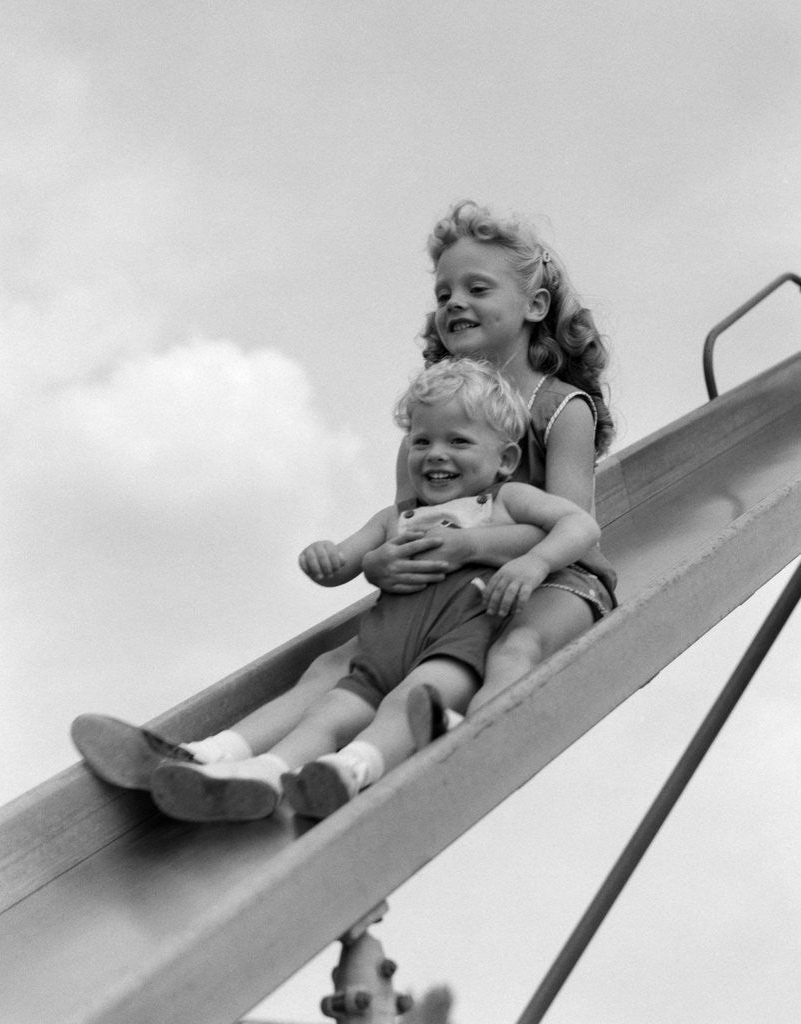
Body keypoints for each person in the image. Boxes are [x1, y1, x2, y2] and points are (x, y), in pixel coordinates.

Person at [71, 199, 616, 795]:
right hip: (449, 590)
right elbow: (406, 521)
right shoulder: (432, 419)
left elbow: (570, 530)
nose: (454, 302)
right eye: (443, 294)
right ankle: (210, 759)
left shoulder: (562, 408)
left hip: (553, 577)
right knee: (332, 667)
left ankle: (468, 739)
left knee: (518, 647)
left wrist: (466, 550)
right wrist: (378, 562)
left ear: (535, 305)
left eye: (476, 287)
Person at [147, 359, 601, 820]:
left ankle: (350, 771)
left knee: (408, 704)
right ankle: (244, 767)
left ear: (505, 460)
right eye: (421, 441)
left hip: (452, 648)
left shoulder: (505, 502)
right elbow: (346, 562)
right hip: (380, 653)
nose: (435, 453)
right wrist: (325, 557)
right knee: (324, 715)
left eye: (458, 441)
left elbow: (579, 524)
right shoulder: (396, 515)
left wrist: (535, 562)